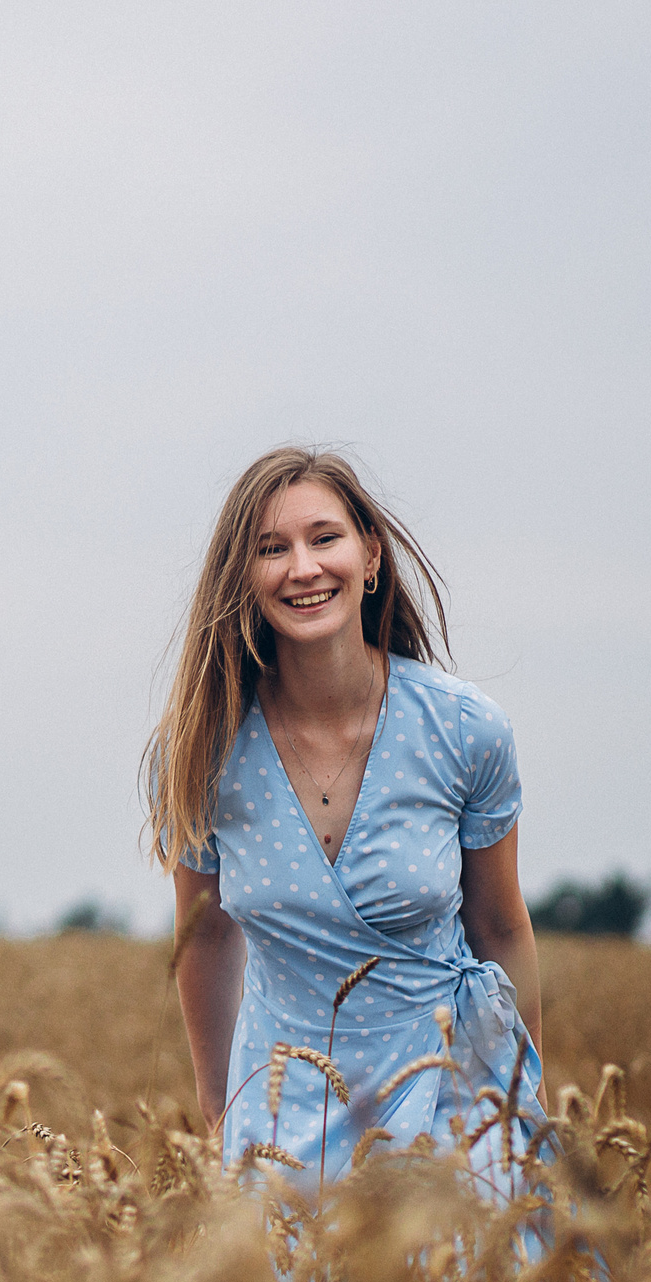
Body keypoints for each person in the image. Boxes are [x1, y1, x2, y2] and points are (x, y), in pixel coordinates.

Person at [145, 448, 543, 1197]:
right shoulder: (203, 746)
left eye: (324, 538)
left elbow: (499, 926)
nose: (302, 567)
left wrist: (527, 1107)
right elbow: (204, 933)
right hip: (280, 1109)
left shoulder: (465, 730)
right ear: (244, 578)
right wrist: (217, 1106)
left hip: (453, 1090)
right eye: (272, 548)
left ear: (371, 557)